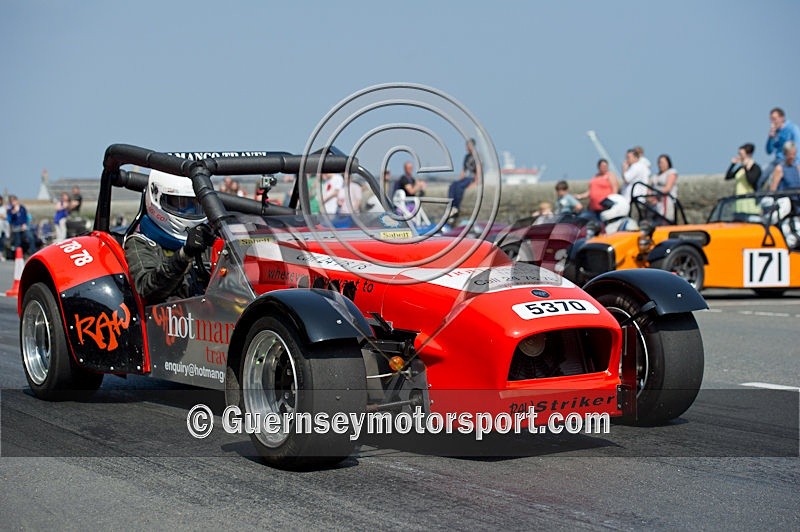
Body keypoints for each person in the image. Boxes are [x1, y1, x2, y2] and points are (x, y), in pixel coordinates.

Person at [124, 170, 215, 304]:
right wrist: (185, 255)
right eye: (181, 204)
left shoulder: (205, 240)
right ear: (156, 197)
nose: (190, 211)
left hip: (209, 316)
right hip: (167, 319)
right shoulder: (139, 243)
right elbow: (147, 289)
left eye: (195, 204)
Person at [763, 107, 800, 188]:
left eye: (774, 119)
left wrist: (797, 164)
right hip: (778, 160)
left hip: (790, 160)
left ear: (782, 118)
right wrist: (770, 138)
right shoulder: (776, 132)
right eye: (771, 119)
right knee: (763, 177)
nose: (772, 122)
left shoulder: (793, 129)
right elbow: (769, 151)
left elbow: (797, 147)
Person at [724, 143, 761, 217]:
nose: (739, 156)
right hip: (739, 202)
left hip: (750, 203)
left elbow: (751, 180)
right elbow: (728, 177)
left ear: (748, 155)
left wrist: (747, 168)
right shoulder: (741, 168)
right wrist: (733, 164)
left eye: (741, 154)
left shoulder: (755, 168)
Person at [448, 138, 479, 218]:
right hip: (466, 178)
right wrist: (459, 180)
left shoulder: (477, 156)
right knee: (453, 185)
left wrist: (476, 182)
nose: (466, 147)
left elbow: (479, 169)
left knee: (459, 188)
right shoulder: (466, 157)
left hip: (471, 178)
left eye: (467, 145)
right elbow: (463, 170)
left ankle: (456, 207)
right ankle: (451, 206)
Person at [650, 154, 679, 222]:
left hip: (667, 202)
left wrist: (654, 194)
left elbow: (667, 188)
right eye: (659, 162)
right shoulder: (655, 176)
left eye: (662, 162)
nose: (660, 165)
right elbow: (649, 189)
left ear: (668, 163)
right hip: (656, 205)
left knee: (666, 221)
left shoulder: (671, 172)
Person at [0, 195, 7, 261]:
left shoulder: (3, 208)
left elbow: (5, 217)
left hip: (2, 228)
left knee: (1, 242)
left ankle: (1, 255)